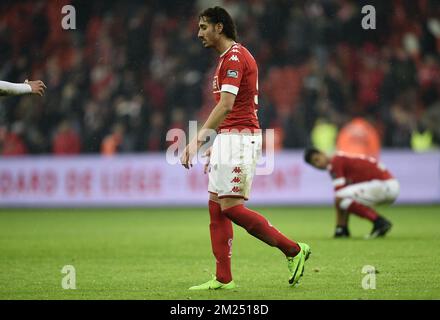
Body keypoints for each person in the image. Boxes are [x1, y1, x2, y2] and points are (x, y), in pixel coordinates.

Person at [180, 6, 310, 290]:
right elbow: (228, 109)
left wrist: (197, 140)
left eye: (203, 26)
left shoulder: (236, 57)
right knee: (216, 207)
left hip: (240, 139)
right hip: (229, 138)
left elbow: (226, 105)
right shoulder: (225, 59)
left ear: (219, 27)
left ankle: (294, 250)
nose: (198, 32)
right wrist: (217, 143)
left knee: (231, 208)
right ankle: (223, 278)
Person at [304, 147, 399, 238]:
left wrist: (339, 224)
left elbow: (339, 194)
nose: (318, 165)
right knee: (344, 198)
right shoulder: (340, 158)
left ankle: (379, 222)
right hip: (385, 186)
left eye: (317, 159)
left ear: (322, 153)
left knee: (340, 197)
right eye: (314, 165)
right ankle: (342, 230)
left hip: (384, 185)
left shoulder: (335, 161)